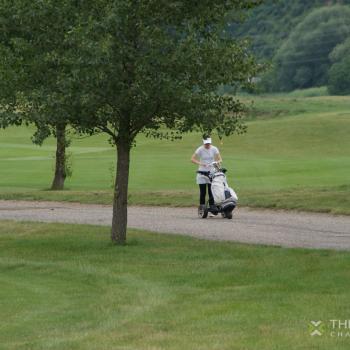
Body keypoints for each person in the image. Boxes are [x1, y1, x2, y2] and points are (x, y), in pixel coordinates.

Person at [191, 135, 223, 212]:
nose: (207, 145)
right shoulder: (200, 149)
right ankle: (202, 208)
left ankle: (212, 207)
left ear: (210, 142)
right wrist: (201, 163)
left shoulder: (214, 148)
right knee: (203, 192)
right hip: (202, 173)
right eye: (206, 143)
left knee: (211, 191)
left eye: (208, 143)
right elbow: (192, 159)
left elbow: (220, 159)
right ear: (203, 143)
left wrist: (216, 162)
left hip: (211, 172)